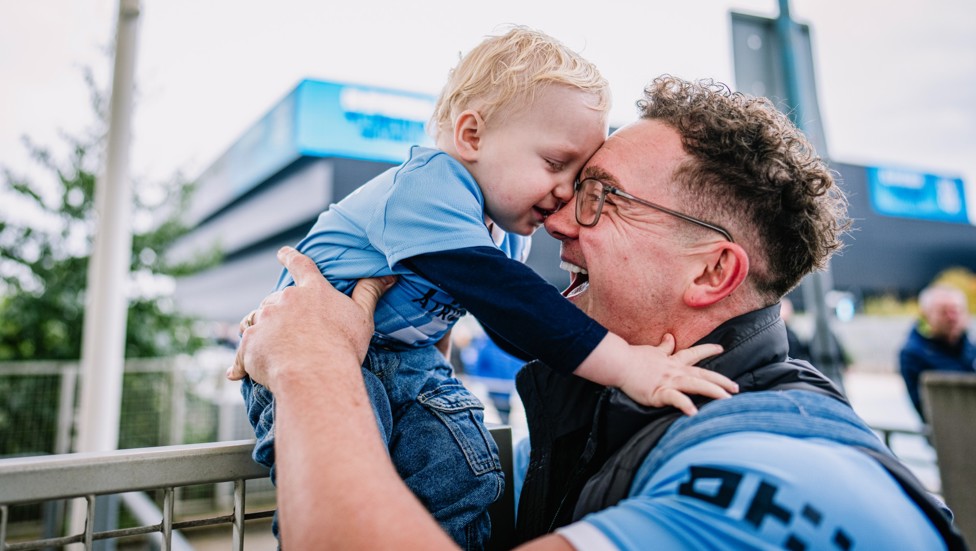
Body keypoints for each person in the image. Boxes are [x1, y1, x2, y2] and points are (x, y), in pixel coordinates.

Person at [229, 75, 966, 549]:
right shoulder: (607, 421)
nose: (553, 222)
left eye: (600, 196)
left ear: (712, 269)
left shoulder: (775, 482)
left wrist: (312, 364)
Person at [237, 28, 735, 547]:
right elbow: (512, 301)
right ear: (471, 136)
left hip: (404, 360)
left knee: (459, 473)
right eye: (554, 164)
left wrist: (616, 355)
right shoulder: (430, 187)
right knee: (341, 478)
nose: (566, 193)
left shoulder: (501, 229)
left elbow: (515, 330)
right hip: (331, 355)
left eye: (579, 175)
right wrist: (628, 365)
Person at [899, 284, 976, 421]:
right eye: (944, 312)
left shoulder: (969, 345)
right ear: (926, 315)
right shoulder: (914, 354)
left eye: (956, 310)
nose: (952, 317)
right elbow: (928, 411)